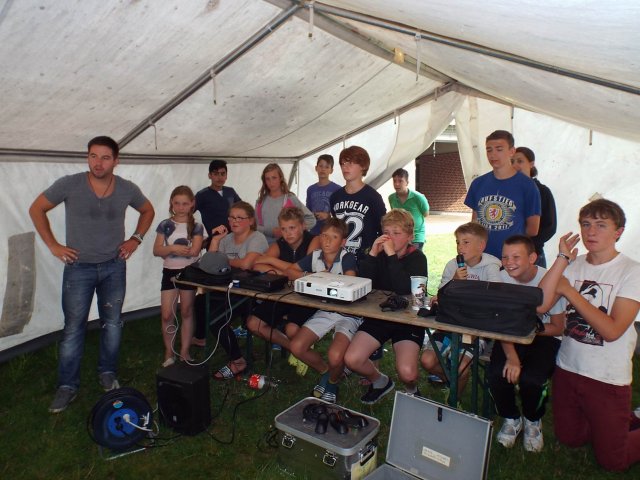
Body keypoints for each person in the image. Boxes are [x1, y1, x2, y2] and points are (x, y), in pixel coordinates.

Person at [29, 135, 155, 413]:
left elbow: (147, 210)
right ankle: (67, 386)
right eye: (93, 156)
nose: (98, 163)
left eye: (105, 157)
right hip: (79, 268)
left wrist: (135, 239)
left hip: (114, 266)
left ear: (116, 161)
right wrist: (53, 245)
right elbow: (37, 208)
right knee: (73, 327)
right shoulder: (69, 184)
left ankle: (107, 373)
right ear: (87, 157)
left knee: (113, 323)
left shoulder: (126, 188)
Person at [538, 199, 640, 472]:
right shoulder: (574, 265)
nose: (590, 232)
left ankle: (622, 423)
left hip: (607, 377)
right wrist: (561, 259)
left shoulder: (632, 271)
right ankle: (620, 421)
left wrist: (570, 292)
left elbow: (612, 331)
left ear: (618, 231)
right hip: (568, 369)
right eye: (586, 224)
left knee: (613, 461)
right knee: (570, 438)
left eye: (601, 225)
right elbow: (540, 305)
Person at [488, 235, 564, 452]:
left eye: (516, 257)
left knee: (533, 380)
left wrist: (530, 331)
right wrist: (512, 357)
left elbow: (558, 327)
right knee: (497, 373)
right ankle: (511, 417)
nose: (508, 262)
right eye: (505, 257)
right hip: (509, 336)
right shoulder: (501, 279)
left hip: (543, 337)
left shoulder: (549, 279)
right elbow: (500, 323)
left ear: (532, 258)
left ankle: (532, 419)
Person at [344, 209, 428, 404]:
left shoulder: (417, 257)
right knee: (352, 359)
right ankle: (380, 381)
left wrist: (391, 254)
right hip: (381, 315)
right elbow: (363, 285)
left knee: (407, 373)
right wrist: (373, 253)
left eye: (396, 233)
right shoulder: (380, 254)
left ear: (410, 236)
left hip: (407, 320)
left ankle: (411, 390)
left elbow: (403, 289)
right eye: (386, 232)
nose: (390, 238)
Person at [421, 222, 501, 396]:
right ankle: (451, 379)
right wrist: (455, 282)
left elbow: (495, 299)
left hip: (476, 330)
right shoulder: (453, 265)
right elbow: (440, 297)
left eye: (466, 242)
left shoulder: (492, 267)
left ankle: (454, 400)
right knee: (427, 361)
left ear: (481, 246)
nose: (460, 247)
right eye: (458, 242)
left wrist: (465, 291)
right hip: (449, 325)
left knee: (459, 367)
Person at [286, 217, 360, 403]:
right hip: (325, 310)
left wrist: (323, 280)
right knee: (296, 347)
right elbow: (291, 271)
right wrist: (312, 275)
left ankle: (333, 382)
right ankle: (327, 372)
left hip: (348, 313)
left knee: (335, 356)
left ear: (343, 242)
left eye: (333, 237)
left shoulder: (347, 257)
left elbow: (350, 282)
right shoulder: (315, 256)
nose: (327, 241)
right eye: (324, 235)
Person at [194, 201, 269, 379]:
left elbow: (246, 264)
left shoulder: (257, 238)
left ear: (250, 220)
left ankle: (238, 361)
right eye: (231, 218)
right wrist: (215, 240)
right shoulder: (226, 239)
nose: (234, 221)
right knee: (199, 302)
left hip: (248, 293)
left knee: (216, 320)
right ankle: (207, 338)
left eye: (239, 218)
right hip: (226, 289)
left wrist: (223, 261)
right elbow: (209, 265)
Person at [246, 207, 319, 351]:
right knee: (254, 324)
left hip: (308, 296)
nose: (288, 233)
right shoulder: (279, 244)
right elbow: (257, 265)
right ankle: (293, 348)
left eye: (292, 228)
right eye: (283, 229)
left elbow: (309, 269)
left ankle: (301, 350)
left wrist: (273, 261)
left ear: (303, 226)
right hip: (284, 294)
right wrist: (289, 275)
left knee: (292, 329)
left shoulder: (314, 240)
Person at [464, 130, 541, 259]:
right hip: (483, 257)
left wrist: (511, 239)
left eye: (499, 149)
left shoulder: (527, 185)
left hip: (511, 259)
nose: (493, 154)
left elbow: (533, 229)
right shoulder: (478, 183)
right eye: (489, 150)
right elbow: (475, 224)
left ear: (512, 151)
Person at [153, 186, 206, 367]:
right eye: (177, 203)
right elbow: (156, 250)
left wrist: (168, 250)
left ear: (192, 204)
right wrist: (173, 248)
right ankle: (169, 352)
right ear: (171, 203)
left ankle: (184, 351)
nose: (181, 207)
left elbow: (195, 251)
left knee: (186, 311)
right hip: (169, 271)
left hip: (189, 273)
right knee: (167, 314)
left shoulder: (197, 226)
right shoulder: (165, 224)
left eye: (185, 203)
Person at [330, 145, 386, 262]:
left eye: (350, 163)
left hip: (366, 260)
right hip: (341, 260)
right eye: (343, 163)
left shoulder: (373, 197)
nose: (345, 167)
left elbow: (382, 229)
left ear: (363, 166)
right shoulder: (335, 197)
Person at [512, 147, 557, 267]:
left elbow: (550, 227)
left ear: (531, 164)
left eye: (520, 161)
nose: (515, 165)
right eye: (512, 161)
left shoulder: (542, 191)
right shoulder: (505, 192)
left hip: (533, 256)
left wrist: (525, 245)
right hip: (507, 256)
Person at [255, 163, 315, 244]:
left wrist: (291, 230)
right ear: (264, 181)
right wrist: (272, 231)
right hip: (264, 246)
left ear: (281, 178)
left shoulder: (290, 199)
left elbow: (311, 220)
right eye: (267, 179)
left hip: (288, 246)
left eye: (274, 178)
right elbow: (254, 226)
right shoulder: (260, 201)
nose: (271, 182)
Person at [194, 159, 241, 239]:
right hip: (213, 239)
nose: (219, 177)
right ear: (209, 175)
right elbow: (187, 213)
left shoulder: (230, 191)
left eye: (223, 174)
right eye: (216, 174)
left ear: (226, 176)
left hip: (234, 237)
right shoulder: (202, 195)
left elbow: (243, 210)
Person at [388, 168, 430, 250]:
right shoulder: (391, 198)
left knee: (415, 257)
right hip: (400, 236)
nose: (396, 184)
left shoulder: (418, 197)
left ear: (407, 182)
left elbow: (426, 214)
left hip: (416, 237)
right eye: (394, 181)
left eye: (400, 181)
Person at [306, 154, 342, 236]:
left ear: (331, 170)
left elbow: (340, 215)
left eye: (327, 167)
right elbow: (308, 212)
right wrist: (313, 215)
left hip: (331, 232)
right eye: (321, 166)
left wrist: (328, 216)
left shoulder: (337, 189)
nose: (323, 169)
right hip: (313, 232)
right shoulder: (310, 189)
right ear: (316, 168)